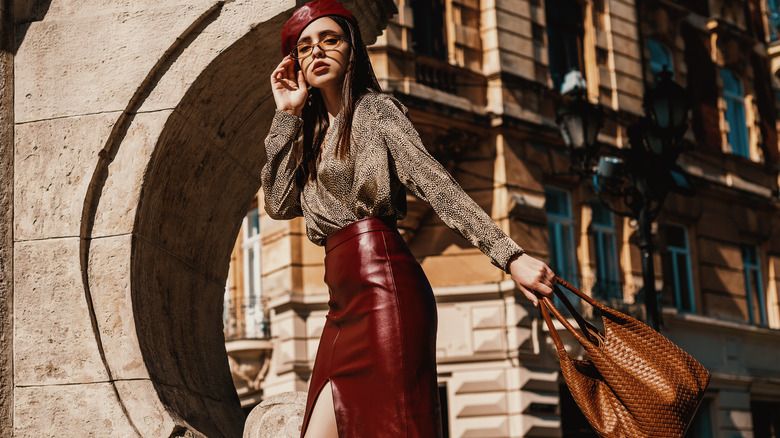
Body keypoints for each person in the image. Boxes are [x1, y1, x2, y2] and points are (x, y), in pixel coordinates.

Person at [263, 1, 556, 436]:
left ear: (352, 48)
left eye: (330, 40)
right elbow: (277, 203)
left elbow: (437, 185)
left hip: (386, 291)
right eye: (304, 47)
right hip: (340, 304)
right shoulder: (310, 134)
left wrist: (510, 256)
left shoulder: (376, 112)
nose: (317, 51)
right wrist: (286, 116)